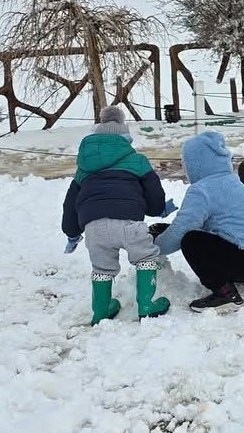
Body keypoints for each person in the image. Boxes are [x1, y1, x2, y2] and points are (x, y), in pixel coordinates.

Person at [61, 106, 175, 325]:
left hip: (94, 227)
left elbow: (70, 204)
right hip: (129, 223)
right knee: (145, 257)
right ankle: (146, 305)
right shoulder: (138, 160)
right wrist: (157, 208)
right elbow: (154, 194)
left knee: (102, 267)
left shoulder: (84, 169)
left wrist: (72, 232)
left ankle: (101, 311)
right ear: (125, 138)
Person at [153, 132, 244, 311]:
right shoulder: (232, 181)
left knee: (191, 241)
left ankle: (225, 294)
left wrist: (155, 246)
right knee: (204, 236)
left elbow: (182, 231)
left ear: (196, 163)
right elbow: (221, 227)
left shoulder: (202, 190)